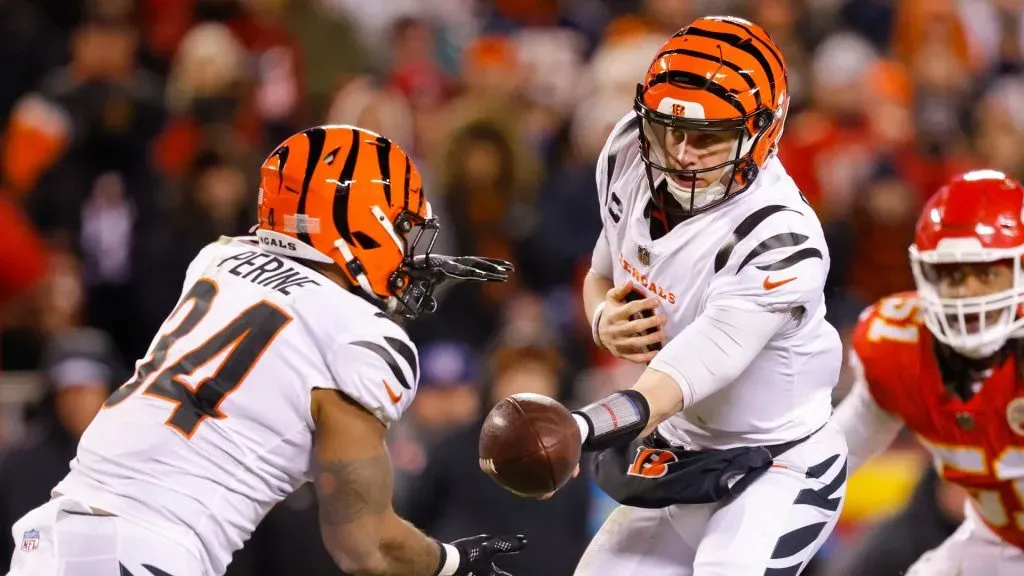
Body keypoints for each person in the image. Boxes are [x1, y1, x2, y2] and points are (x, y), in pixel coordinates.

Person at [6, 125, 525, 576]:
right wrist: (448, 563)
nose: (411, 252)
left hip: (53, 532)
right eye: (403, 228)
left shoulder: (217, 260)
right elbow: (366, 546)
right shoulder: (360, 337)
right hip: (145, 551)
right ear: (359, 226)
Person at [533, 15, 847, 576]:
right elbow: (600, 275)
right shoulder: (630, 147)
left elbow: (681, 377)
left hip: (776, 462)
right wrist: (603, 315)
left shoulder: (779, 237)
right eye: (669, 130)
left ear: (763, 131)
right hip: (681, 445)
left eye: (708, 137)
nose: (680, 153)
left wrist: (580, 428)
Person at [834, 169, 1024, 575]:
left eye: (986, 273)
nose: (967, 293)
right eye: (953, 274)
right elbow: (833, 457)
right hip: (1000, 539)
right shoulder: (901, 345)